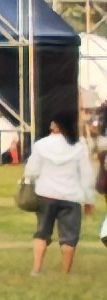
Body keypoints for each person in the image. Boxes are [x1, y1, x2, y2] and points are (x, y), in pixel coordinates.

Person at [23, 109, 90, 275]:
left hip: (46, 194)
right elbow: (86, 174)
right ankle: (65, 272)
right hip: (71, 197)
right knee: (69, 237)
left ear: (54, 125)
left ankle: (36, 269)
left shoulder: (41, 145)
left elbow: (31, 171)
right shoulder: (79, 146)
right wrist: (89, 199)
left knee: (42, 233)